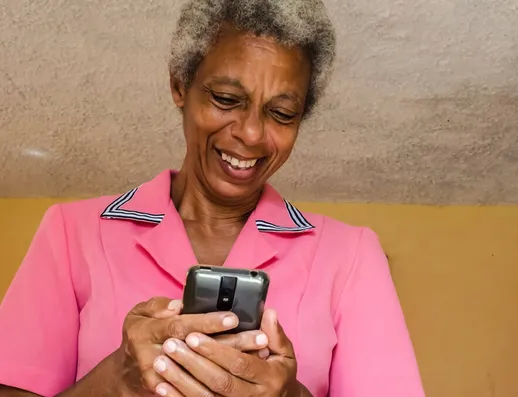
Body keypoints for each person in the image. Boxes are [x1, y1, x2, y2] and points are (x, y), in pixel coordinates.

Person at [0, 0, 425, 396]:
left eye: (281, 113)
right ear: (180, 86)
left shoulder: (349, 256)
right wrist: (118, 378)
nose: (252, 134)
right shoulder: (73, 235)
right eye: (226, 99)